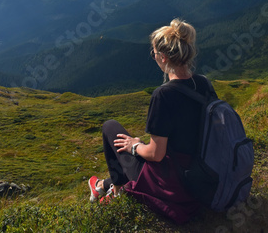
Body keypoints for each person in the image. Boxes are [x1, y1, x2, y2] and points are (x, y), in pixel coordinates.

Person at [88, 18, 217, 224]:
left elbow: (156, 155)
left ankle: (115, 190)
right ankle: (105, 186)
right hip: (204, 172)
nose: (154, 57)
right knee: (129, 147)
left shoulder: (163, 95)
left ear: (163, 58)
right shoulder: (204, 84)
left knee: (110, 127)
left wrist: (135, 146)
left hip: (172, 183)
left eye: (154, 53)